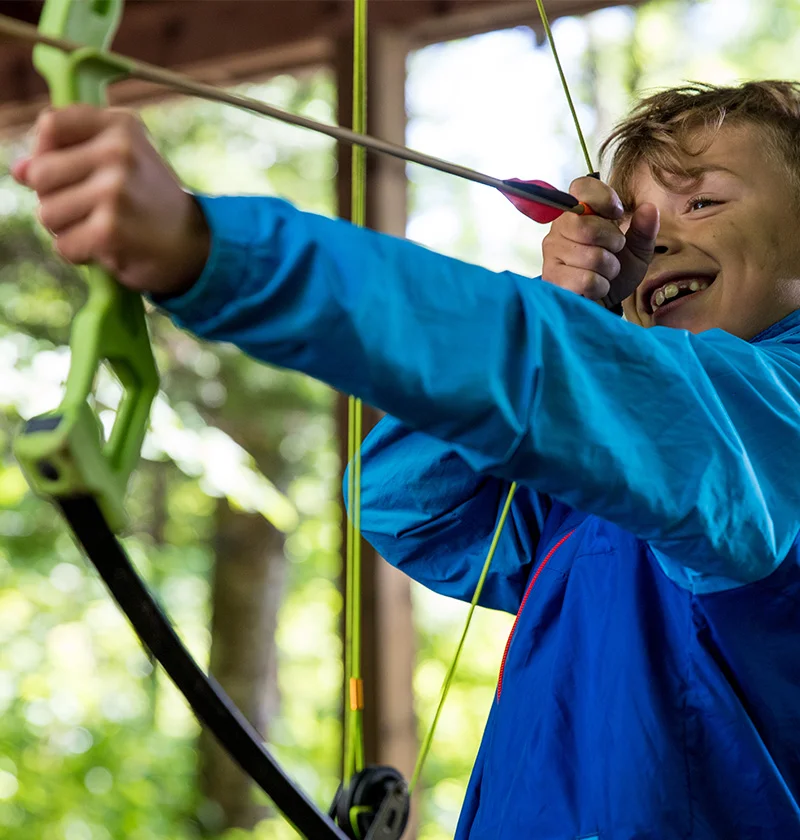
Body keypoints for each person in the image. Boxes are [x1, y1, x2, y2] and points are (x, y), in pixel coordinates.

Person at [13, 80, 800, 838]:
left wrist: (211, 251)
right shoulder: (612, 471)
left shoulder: (772, 418)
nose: (658, 238)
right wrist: (570, 301)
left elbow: (553, 368)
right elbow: (405, 501)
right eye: (641, 222)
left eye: (705, 200)